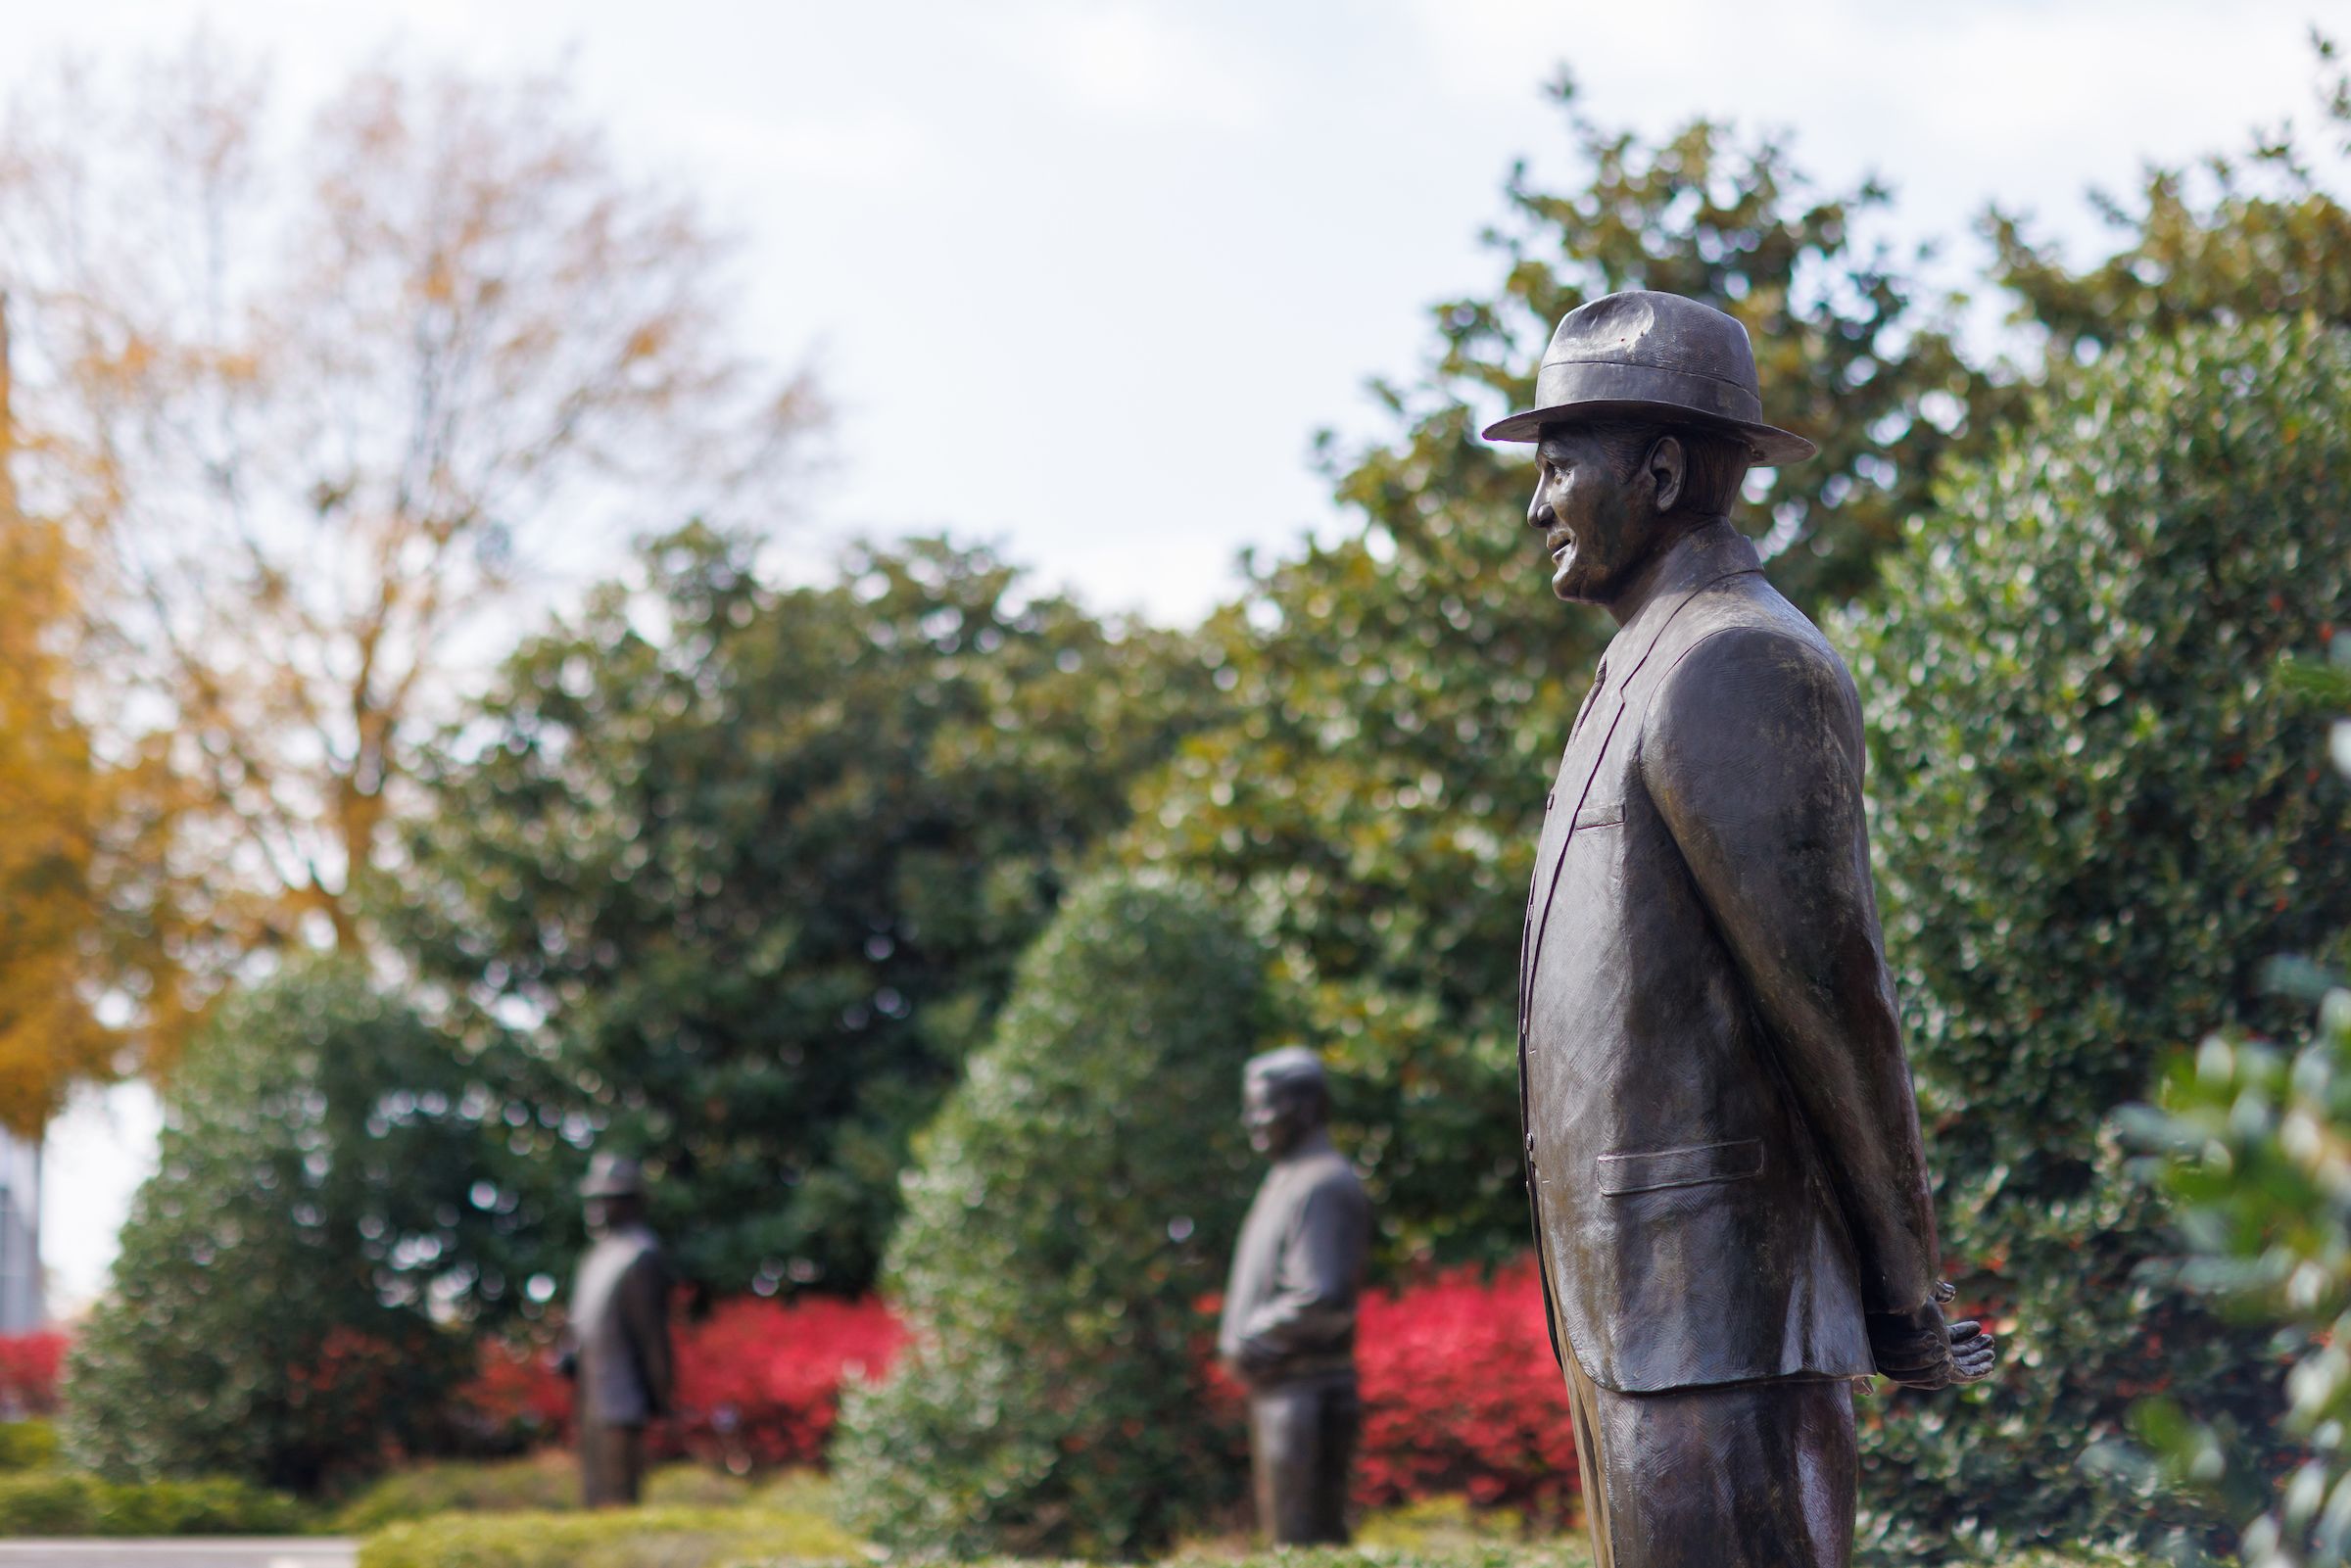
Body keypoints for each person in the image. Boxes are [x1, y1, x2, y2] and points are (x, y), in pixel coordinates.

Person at [1486, 290, 1997, 1568]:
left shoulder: (1736, 662)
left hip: (1721, 1326)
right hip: (1641, 1325)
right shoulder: (1640, 670)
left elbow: (1834, 1003)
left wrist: (1901, 1286)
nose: (1537, 504)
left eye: (1559, 466)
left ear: (1659, 470)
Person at [1217, 1046, 1372, 1546]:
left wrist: (1248, 1337)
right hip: (1284, 1392)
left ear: (1304, 1107)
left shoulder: (1321, 1184)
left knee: (1305, 1548)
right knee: (1292, 1544)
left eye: (1261, 1107)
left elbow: (1321, 1297)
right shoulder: (1286, 1180)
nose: (1251, 1121)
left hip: (1307, 1394)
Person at [557, 1153, 675, 1507]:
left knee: (617, 1500)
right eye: (591, 1199)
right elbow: (584, 1326)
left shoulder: (640, 1255)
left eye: (604, 1199)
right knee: (594, 1499)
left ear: (629, 1203)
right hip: (591, 1397)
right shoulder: (596, 1257)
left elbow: (651, 1336)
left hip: (622, 1400)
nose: (593, 1209)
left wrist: (663, 1396)